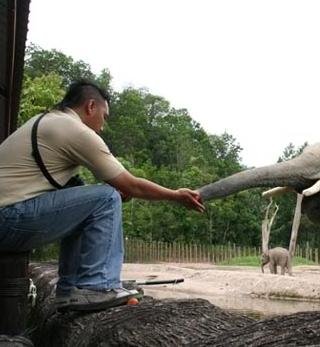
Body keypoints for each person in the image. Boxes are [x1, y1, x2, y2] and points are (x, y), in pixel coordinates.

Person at [0, 80, 205, 311]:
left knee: (89, 198)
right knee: (106, 197)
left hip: (8, 217)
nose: (103, 126)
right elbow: (132, 185)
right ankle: (96, 287)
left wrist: (117, 192)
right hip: (7, 218)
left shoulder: (48, 122)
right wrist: (176, 195)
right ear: (90, 107)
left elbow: (75, 201)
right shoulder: (73, 129)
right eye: (104, 116)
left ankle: (70, 290)